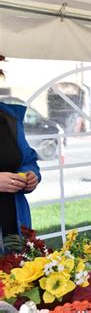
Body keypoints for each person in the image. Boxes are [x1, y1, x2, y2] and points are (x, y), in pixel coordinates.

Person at [0, 100, 41, 239]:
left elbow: (29, 159)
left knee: (17, 259)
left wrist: (31, 175)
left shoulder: (9, 117)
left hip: (14, 226)